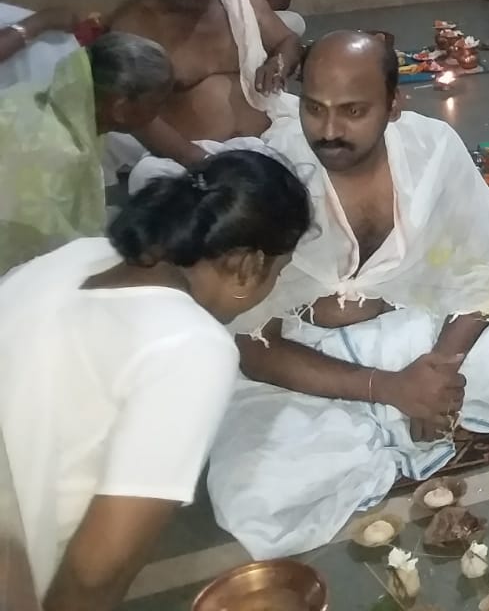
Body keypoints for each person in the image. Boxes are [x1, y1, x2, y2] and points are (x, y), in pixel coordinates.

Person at [206, 31, 489, 558]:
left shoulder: (432, 151)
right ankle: (406, 428)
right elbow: (254, 344)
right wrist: (387, 388)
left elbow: (487, 273)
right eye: (314, 108)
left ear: (393, 104)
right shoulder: (274, 173)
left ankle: (398, 431)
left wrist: (439, 371)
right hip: (316, 370)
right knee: (253, 496)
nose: (330, 131)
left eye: (353, 111)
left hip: (426, 339)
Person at [0, 150, 312, 611]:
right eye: (278, 274)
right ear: (249, 266)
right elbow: (96, 571)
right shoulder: (191, 346)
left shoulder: (75, 257)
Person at [107, 0, 300, 191]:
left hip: (273, 139)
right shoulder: (135, 24)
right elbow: (132, 113)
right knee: (149, 179)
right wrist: (199, 160)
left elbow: (288, 40)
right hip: (193, 158)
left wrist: (278, 63)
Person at [0, 16, 172, 272]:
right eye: (157, 103)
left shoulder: (48, 102)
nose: (161, 111)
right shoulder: (60, 155)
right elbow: (38, 256)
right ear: (121, 109)